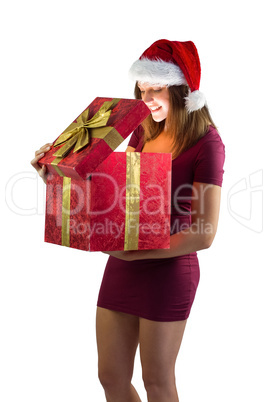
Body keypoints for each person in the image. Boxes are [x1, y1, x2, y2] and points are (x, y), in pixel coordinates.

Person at [31, 39, 225, 402]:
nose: (147, 98)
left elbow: (204, 233)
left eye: (157, 89)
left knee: (157, 380)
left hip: (169, 268)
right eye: (142, 88)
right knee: (110, 376)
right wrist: (59, 174)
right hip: (125, 263)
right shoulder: (142, 130)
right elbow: (121, 197)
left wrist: (137, 254)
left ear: (183, 91)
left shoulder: (206, 143)